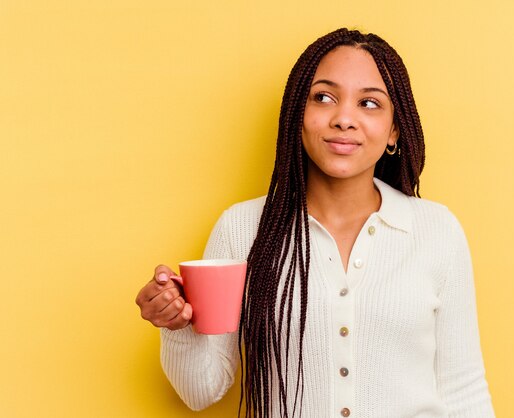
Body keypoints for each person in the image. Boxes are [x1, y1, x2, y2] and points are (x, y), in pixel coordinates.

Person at [136, 28, 495, 418]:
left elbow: (463, 390)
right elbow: (200, 391)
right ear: (297, 114)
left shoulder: (436, 231)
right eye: (324, 97)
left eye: (369, 103)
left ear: (394, 130)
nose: (344, 119)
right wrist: (177, 327)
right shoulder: (243, 230)